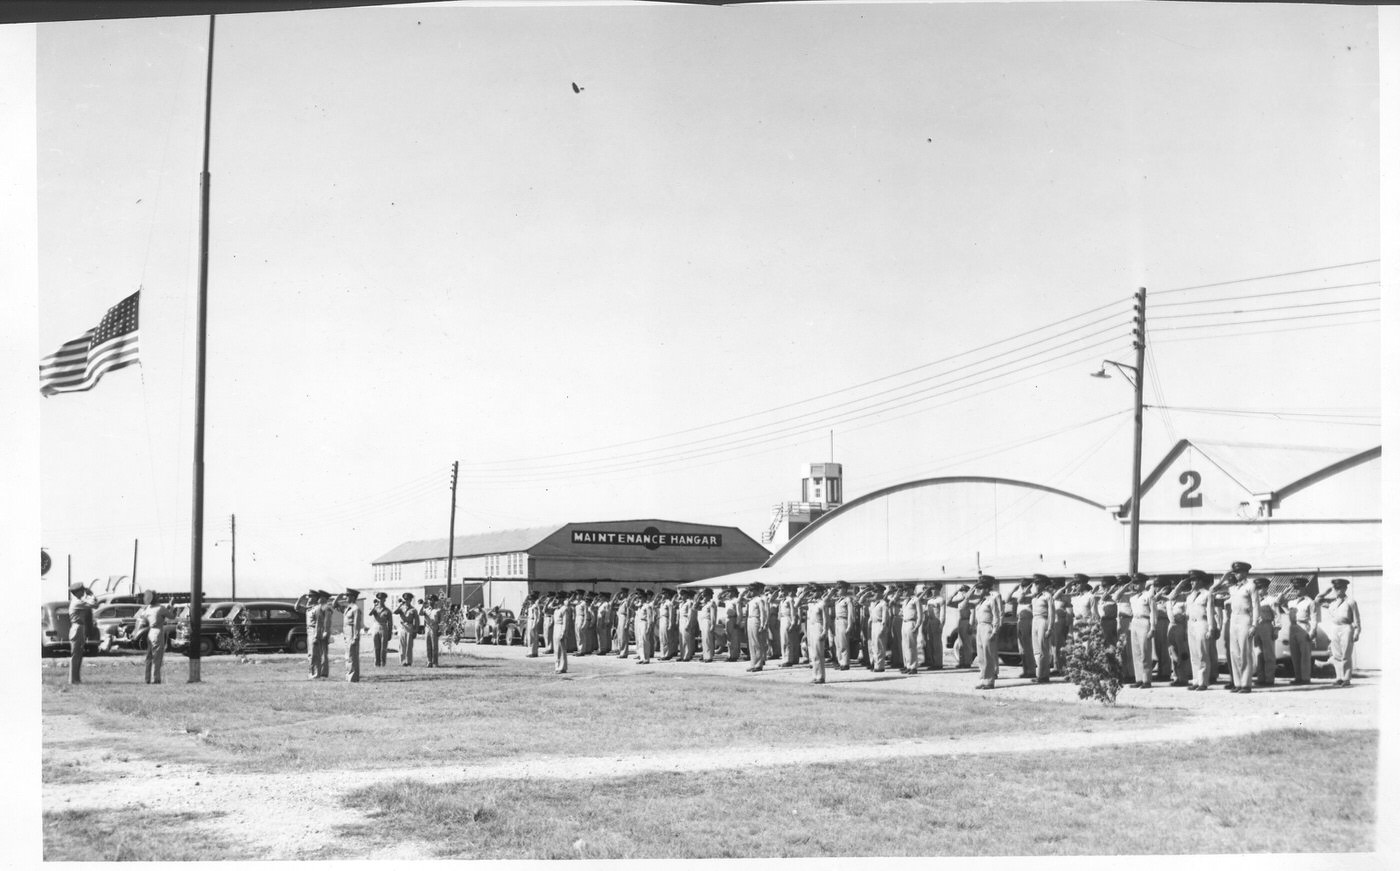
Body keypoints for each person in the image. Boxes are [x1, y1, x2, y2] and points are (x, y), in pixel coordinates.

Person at [1316, 579, 1361, 687]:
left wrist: (1357, 632)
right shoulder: (1332, 602)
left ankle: (1346, 678)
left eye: (1340, 588)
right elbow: (1317, 600)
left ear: (1345, 588)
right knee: (1336, 654)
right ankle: (1339, 677)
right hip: (1335, 628)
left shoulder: (1351, 601)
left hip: (1346, 627)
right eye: (1336, 588)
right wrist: (1327, 591)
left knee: (1346, 654)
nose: (1337, 590)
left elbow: (1357, 619)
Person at [1224, 568, 1259, 693]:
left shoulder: (1251, 586)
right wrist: (1224, 577)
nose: (1236, 575)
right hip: (1234, 619)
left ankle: (1246, 684)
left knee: (1245, 651)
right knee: (1234, 652)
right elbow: (1215, 590)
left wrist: (1254, 624)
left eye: (1239, 572)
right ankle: (1237, 683)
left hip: (1245, 618)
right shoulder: (1233, 588)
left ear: (1245, 572)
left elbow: (1255, 606)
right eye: (1235, 572)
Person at [1279, 577, 1318, 684]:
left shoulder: (1310, 602)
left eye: (1298, 588)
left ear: (1304, 588)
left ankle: (1305, 678)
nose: (1296, 591)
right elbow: (1280, 602)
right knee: (1295, 655)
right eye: (1294, 589)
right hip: (1293, 628)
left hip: (1304, 627)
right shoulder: (1292, 602)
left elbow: (1314, 619)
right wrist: (1287, 590)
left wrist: (1312, 633)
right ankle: (1298, 677)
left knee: (1305, 655)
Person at [1183, 571, 1215, 691]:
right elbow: (1187, 612)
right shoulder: (1190, 596)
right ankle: (1196, 680)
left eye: (1194, 580)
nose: (1191, 582)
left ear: (1201, 581)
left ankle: (1203, 682)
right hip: (1191, 624)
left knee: (1202, 653)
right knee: (1194, 654)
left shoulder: (1207, 594)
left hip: (1202, 623)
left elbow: (1210, 611)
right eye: (1191, 580)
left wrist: (1211, 627)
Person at [133, 590, 171, 684]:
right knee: (157, 657)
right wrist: (171, 606)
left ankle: (147, 679)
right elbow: (171, 616)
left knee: (149, 657)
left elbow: (143, 618)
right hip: (158, 631)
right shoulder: (161, 608)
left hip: (150, 632)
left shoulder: (148, 608)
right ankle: (156, 679)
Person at [971, 576, 1002, 690]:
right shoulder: (980, 601)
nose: (979, 590)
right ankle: (983, 679)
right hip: (980, 627)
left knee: (988, 655)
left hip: (988, 627)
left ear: (987, 589)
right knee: (981, 656)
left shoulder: (992, 599)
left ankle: (989, 681)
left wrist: (995, 630)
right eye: (979, 588)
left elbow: (996, 616)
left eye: (982, 588)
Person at [1127, 575, 1156, 689]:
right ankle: (1138, 679)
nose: (1136, 585)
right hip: (1135, 622)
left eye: (1138, 582)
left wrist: (1152, 627)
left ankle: (1146, 680)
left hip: (1145, 621)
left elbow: (1153, 612)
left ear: (1144, 583)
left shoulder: (1149, 595)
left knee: (1145, 652)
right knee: (1136, 652)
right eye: (1134, 583)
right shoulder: (1133, 598)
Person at [65, 581, 96, 685]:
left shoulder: (78, 600)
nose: (83, 592)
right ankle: (72, 680)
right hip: (77, 628)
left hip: (79, 628)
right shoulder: (77, 602)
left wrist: (87, 595)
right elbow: (94, 604)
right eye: (82, 591)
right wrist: (90, 594)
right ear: (77, 592)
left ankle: (76, 679)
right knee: (75, 655)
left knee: (78, 655)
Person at [1252, 577, 1279, 687]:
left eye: (1260, 588)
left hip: (1266, 626)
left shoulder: (1271, 600)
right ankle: (1260, 677)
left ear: (1266, 588)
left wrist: (1276, 629)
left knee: (1269, 654)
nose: (1258, 591)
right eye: (1257, 588)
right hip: (1256, 627)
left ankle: (1269, 679)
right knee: (1258, 654)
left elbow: (1277, 615)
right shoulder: (1253, 600)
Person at [801, 584, 829, 684]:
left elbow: (826, 619)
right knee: (812, 653)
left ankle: (821, 676)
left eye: (814, 591)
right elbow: (797, 604)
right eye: (811, 591)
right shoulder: (811, 603)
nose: (812, 593)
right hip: (811, 628)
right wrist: (804, 593)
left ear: (820, 592)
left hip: (818, 626)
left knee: (818, 653)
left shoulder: (822, 603)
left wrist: (825, 631)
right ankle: (815, 675)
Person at [1029, 575, 1055, 683]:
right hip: (1034, 620)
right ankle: (1038, 674)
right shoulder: (1035, 597)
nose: (1037, 585)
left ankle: (1044, 675)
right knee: (1036, 650)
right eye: (1036, 583)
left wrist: (1050, 628)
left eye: (1039, 583)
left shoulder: (1047, 596)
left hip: (1043, 621)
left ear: (1044, 584)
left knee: (1043, 649)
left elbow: (1052, 613)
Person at [948, 584, 976, 668]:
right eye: (962, 592)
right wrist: (955, 592)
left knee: (967, 643)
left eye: (965, 591)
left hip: (967, 621)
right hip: (960, 622)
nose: (963, 593)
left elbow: (973, 614)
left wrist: (971, 625)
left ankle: (967, 662)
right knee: (960, 643)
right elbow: (948, 603)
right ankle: (962, 662)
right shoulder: (960, 601)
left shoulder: (971, 602)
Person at [744, 583, 769, 672]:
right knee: (751, 644)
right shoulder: (751, 600)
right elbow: (743, 597)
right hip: (750, 620)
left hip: (756, 620)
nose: (750, 592)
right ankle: (753, 663)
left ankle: (758, 664)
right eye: (749, 590)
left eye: (752, 590)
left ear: (756, 590)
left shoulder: (759, 600)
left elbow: (763, 613)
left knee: (757, 643)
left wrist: (762, 624)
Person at [898, 584, 923, 675]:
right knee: (904, 646)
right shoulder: (905, 601)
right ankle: (907, 665)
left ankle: (913, 667)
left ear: (911, 589)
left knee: (911, 646)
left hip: (911, 623)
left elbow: (920, 615)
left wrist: (917, 626)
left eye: (906, 589)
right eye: (904, 590)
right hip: (904, 623)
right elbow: (902, 612)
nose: (904, 591)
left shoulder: (915, 600)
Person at [921, 583, 945, 671]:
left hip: (937, 622)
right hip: (930, 622)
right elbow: (920, 600)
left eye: (934, 589)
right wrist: (926, 591)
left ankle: (938, 663)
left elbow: (942, 614)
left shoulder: (941, 600)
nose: (932, 591)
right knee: (930, 643)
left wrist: (941, 625)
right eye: (931, 589)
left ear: (938, 590)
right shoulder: (930, 600)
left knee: (937, 643)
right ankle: (933, 662)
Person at [832, 581, 855, 670]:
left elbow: (850, 614)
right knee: (837, 643)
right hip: (837, 621)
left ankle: (845, 663)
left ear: (844, 589)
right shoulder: (837, 600)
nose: (837, 590)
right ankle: (840, 661)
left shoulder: (848, 600)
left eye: (839, 588)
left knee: (843, 643)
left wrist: (850, 625)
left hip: (843, 621)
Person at [341, 588, 363, 682]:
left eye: (348, 596)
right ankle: (349, 675)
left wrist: (355, 637)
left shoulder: (355, 609)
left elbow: (356, 625)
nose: (346, 597)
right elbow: (335, 604)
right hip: (347, 634)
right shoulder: (348, 608)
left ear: (353, 597)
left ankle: (353, 677)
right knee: (348, 656)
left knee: (352, 656)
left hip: (352, 634)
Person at [866, 584, 888, 673]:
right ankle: (876, 665)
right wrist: (866, 593)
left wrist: (883, 628)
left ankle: (880, 666)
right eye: (873, 591)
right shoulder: (873, 603)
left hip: (879, 624)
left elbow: (885, 618)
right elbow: (860, 601)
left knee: (880, 646)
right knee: (874, 646)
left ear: (880, 592)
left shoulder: (883, 603)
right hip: (873, 625)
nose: (873, 593)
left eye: (875, 591)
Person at [369, 593, 393, 667]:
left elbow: (390, 623)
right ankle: (376, 663)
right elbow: (370, 613)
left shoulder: (387, 610)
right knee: (376, 647)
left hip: (384, 627)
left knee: (383, 647)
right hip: (376, 627)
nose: (380, 601)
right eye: (379, 599)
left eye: (382, 599)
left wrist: (389, 633)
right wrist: (374, 606)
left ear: (384, 600)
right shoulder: (375, 609)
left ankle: (383, 663)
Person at [395, 593, 420, 666]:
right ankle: (402, 661)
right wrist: (400, 604)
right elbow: (394, 612)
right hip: (402, 627)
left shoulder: (413, 609)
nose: (406, 601)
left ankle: (408, 661)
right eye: (405, 599)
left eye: (408, 599)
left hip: (409, 627)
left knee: (409, 645)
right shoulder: (401, 608)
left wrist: (415, 631)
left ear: (410, 600)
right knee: (402, 645)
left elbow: (417, 621)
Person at [551, 594, 571, 675]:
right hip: (555, 627)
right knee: (556, 649)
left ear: (562, 599)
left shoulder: (564, 609)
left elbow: (565, 622)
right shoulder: (556, 609)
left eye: (558, 598)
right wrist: (553, 601)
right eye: (556, 598)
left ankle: (562, 667)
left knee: (561, 649)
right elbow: (549, 606)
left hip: (560, 627)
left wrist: (563, 632)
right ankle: (557, 666)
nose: (557, 600)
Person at [778, 586, 799, 667]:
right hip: (782, 619)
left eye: (783, 590)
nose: (781, 592)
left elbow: (793, 611)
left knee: (787, 641)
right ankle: (784, 659)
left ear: (787, 590)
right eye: (780, 590)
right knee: (783, 641)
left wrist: (793, 622)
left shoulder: (790, 599)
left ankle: (788, 659)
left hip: (787, 618)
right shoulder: (782, 600)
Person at [422, 594, 443, 667]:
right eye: (429, 599)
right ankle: (429, 661)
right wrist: (422, 605)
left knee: (434, 646)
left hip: (434, 628)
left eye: (432, 600)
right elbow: (420, 613)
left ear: (435, 601)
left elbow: (441, 621)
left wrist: (440, 630)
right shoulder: (426, 609)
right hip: (427, 628)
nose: (431, 601)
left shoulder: (438, 610)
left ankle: (435, 662)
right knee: (428, 646)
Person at [697, 588, 717, 662]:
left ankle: (708, 657)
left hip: (708, 622)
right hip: (703, 622)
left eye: (705, 595)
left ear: (709, 596)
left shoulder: (711, 603)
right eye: (703, 596)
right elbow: (694, 608)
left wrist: (713, 625)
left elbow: (713, 615)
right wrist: (699, 598)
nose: (703, 597)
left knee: (708, 640)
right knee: (704, 640)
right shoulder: (703, 604)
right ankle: (705, 655)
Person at [614, 588, 633, 659]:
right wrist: (616, 596)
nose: (621, 594)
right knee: (619, 636)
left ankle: (624, 653)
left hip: (624, 618)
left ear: (625, 593)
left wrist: (627, 622)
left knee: (623, 636)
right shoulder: (622, 601)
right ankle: (621, 651)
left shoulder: (627, 601)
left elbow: (628, 612)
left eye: (622, 593)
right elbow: (615, 602)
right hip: (620, 618)